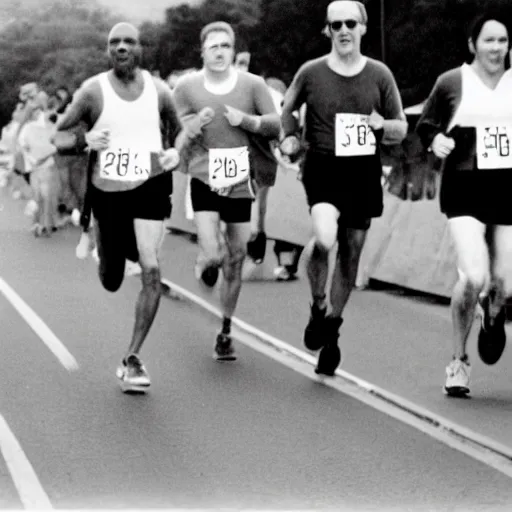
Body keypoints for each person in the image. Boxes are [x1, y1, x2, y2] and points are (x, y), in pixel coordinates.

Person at [280, 0, 407, 376]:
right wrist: (289, 138)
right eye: (335, 25)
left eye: (350, 23)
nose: (343, 31)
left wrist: (380, 126)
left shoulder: (380, 74)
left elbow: (400, 127)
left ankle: (331, 327)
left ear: (364, 27)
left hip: (363, 170)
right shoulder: (311, 72)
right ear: (328, 30)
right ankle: (317, 305)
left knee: (351, 252)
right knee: (323, 236)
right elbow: (286, 110)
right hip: (323, 164)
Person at [56, 22, 183, 393]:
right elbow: (58, 135)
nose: (122, 47)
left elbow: (183, 128)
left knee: (151, 265)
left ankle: (132, 358)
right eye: (115, 42)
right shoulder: (92, 91)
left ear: (141, 49)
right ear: (108, 50)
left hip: (151, 184)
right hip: (108, 192)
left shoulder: (160, 90)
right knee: (111, 279)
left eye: (129, 41)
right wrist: (84, 139)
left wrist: (177, 150)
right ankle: (102, 238)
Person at [416, 12, 512, 397]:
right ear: (473, 45)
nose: (496, 48)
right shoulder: (451, 82)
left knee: (503, 281)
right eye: (488, 40)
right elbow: (425, 124)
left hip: (507, 190)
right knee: (473, 276)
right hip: (464, 189)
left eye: (503, 41)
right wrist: (435, 141)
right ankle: (458, 361)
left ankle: (494, 309)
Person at [173, 21, 281, 361]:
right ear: (202, 51)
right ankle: (206, 258)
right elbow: (174, 132)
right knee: (216, 253)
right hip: (204, 177)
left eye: (225, 46)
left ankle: (225, 328)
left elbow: (277, 124)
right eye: (213, 46)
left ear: (233, 52)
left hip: (240, 179)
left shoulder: (252, 85)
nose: (219, 52)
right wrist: (192, 124)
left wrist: (246, 122)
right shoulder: (187, 87)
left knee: (236, 257)